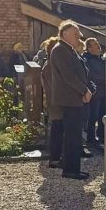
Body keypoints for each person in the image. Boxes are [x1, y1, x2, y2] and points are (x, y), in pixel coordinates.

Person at [49, 21, 92, 180]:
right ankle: (70, 170)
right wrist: (84, 90)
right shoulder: (60, 50)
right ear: (65, 33)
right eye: (75, 34)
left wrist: (88, 89)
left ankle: (73, 167)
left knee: (75, 135)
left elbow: (81, 72)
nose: (78, 37)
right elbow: (68, 76)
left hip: (74, 98)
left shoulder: (70, 50)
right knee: (72, 136)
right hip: (69, 98)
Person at [40, 37, 64, 170]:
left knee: (59, 129)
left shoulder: (52, 65)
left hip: (57, 101)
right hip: (56, 102)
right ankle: (55, 158)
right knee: (57, 129)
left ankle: (58, 156)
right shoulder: (50, 66)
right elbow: (52, 86)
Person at [83, 38, 106, 152]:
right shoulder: (87, 59)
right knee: (93, 117)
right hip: (95, 92)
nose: (98, 47)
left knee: (102, 115)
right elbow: (91, 75)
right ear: (89, 48)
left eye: (98, 44)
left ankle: (101, 136)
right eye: (95, 45)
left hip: (103, 92)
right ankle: (91, 139)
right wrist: (105, 79)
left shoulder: (100, 59)